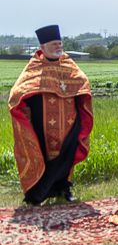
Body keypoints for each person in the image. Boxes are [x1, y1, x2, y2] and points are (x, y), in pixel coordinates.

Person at [8, 25, 93, 206]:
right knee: (43, 155)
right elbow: (18, 92)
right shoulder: (34, 67)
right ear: (43, 47)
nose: (58, 47)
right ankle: (37, 194)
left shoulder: (68, 64)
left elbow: (82, 82)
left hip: (69, 122)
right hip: (42, 123)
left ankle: (64, 189)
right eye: (54, 44)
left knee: (67, 155)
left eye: (60, 43)